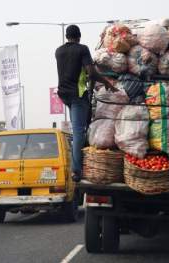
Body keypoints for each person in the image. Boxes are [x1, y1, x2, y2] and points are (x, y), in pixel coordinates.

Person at [55, 25, 115, 182]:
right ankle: (77, 170)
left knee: (79, 127)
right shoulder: (82, 49)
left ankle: (78, 163)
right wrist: (107, 83)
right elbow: (91, 72)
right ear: (79, 36)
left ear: (67, 36)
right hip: (77, 94)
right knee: (79, 131)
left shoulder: (59, 51)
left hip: (64, 94)